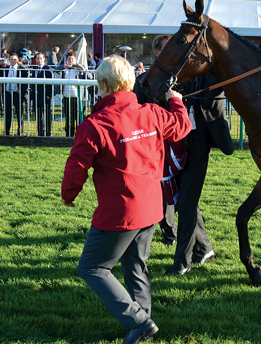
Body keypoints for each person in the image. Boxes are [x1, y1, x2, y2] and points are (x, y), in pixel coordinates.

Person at [61, 55, 192, 344]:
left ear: (104, 86)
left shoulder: (96, 123)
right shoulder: (151, 112)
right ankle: (141, 323)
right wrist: (176, 101)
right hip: (151, 206)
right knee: (135, 265)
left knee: (92, 267)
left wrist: (68, 194)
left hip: (121, 210)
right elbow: (182, 128)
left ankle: (139, 322)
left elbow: (77, 166)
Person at [165, 74, 235, 275]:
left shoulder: (211, 72)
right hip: (176, 141)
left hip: (200, 141)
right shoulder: (172, 75)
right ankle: (204, 248)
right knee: (186, 198)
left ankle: (182, 263)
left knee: (187, 200)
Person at [133, 34, 178, 246]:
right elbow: (136, 113)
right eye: (166, 49)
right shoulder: (143, 81)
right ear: (157, 53)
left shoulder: (183, 78)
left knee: (185, 195)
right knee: (160, 189)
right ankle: (169, 233)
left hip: (180, 143)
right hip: (155, 147)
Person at [60, 51, 93, 137]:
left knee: (79, 119)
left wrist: (84, 70)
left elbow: (90, 78)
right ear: (66, 60)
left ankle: (80, 136)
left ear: (76, 60)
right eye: (69, 59)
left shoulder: (81, 67)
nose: (71, 61)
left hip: (79, 98)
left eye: (72, 59)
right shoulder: (65, 69)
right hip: (67, 97)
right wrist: (64, 66)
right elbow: (56, 70)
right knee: (68, 118)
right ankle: (69, 136)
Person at [2, 53, 27, 135]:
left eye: (15, 59)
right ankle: (6, 131)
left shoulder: (22, 69)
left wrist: (21, 91)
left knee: (19, 113)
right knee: (7, 113)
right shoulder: (4, 69)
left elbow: (25, 83)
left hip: (17, 94)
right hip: (7, 93)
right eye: (11, 59)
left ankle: (20, 131)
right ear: (9, 60)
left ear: (17, 60)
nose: (13, 61)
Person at [33, 52, 54, 136]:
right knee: (38, 115)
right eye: (38, 58)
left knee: (47, 115)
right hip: (36, 96)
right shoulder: (35, 69)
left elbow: (50, 84)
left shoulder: (48, 69)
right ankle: (40, 132)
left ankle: (47, 132)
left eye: (41, 58)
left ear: (44, 59)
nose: (39, 60)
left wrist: (49, 95)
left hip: (45, 96)